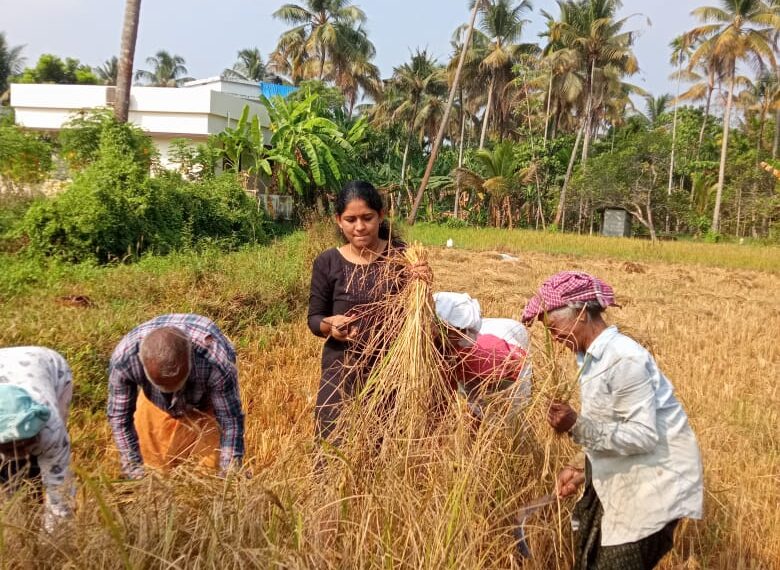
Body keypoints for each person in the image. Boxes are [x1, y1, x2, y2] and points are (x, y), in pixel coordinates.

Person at [522, 271, 703, 570]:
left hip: (652, 486)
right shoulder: (592, 359)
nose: (554, 339)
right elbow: (612, 422)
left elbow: (643, 436)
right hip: (626, 474)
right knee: (588, 554)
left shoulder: (623, 359)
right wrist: (582, 465)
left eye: (554, 328)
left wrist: (575, 426)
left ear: (580, 313)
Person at [307, 180, 411, 439]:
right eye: (350, 219)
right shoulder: (327, 262)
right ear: (338, 220)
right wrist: (331, 325)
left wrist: (424, 282)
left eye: (367, 217)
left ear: (381, 215)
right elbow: (314, 319)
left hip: (389, 370)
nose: (360, 227)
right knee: (332, 442)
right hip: (341, 367)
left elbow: (420, 314)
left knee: (382, 444)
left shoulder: (401, 257)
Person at [107, 314, 245, 479]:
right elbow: (120, 419)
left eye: (177, 384)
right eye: (163, 387)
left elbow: (230, 421)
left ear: (190, 360)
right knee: (153, 466)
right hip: (154, 403)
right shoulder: (125, 360)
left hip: (203, 403)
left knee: (209, 473)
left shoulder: (215, 362)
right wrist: (134, 472)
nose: (172, 394)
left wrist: (229, 475)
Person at [0, 346, 74, 532]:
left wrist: (50, 546)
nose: (21, 452)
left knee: (41, 466)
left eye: (26, 444)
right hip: (10, 366)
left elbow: (61, 495)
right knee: (11, 476)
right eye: (10, 449)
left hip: (51, 367)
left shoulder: (51, 428)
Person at [433, 292, 531, 416]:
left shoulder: (488, 358)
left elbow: (519, 369)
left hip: (509, 344)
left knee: (513, 413)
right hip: (478, 349)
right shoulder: (432, 341)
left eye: (461, 331)